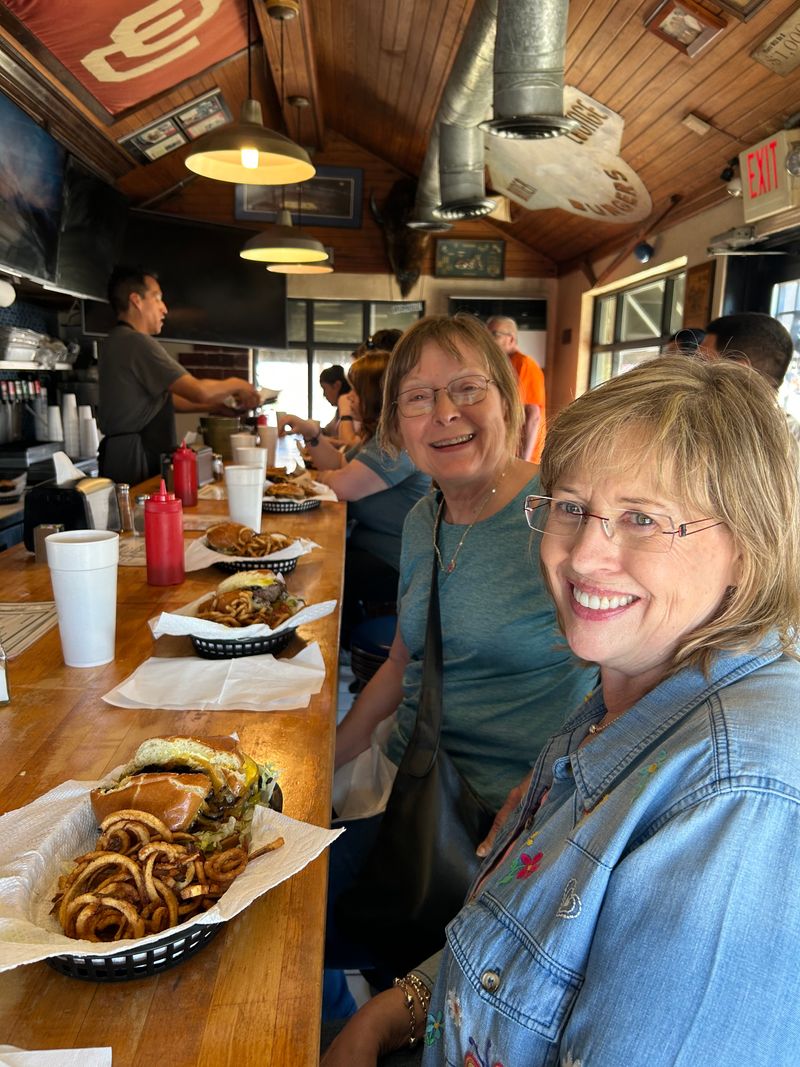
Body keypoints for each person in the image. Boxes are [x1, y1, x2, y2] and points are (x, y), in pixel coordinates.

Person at [321, 354, 800, 1066]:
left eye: (643, 518)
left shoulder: (738, 800)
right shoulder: (627, 695)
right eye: (572, 507)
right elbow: (523, 939)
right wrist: (393, 1014)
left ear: (749, 548)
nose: (582, 556)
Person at [323, 314, 597, 1018]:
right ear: (398, 423)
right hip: (403, 785)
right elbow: (401, 662)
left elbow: (632, 687)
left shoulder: (563, 520)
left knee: (295, 928)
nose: (445, 413)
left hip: (498, 827)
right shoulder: (426, 517)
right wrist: (321, 762)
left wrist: (553, 792)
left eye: (468, 388)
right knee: (271, 909)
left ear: (508, 400)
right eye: (418, 397)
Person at [279, 351, 431, 637]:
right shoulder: (382, 436)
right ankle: (346, 636)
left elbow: (339, 486)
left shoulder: (398, 444)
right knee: (318, 558)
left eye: (355, 390)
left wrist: (321, 478)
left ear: (374, 395)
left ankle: (334, 643)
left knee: (316, 571)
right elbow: (338, 464)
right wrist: (313, 435)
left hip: (398, 563)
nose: (349, 397)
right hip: (373, 549)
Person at [97, 265, 260, 485]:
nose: (164, 309)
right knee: (141, 507)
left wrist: (216, 406)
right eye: (157, 298)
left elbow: (168, 401)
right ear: (136, 300)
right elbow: (198, 391)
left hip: (123, 454)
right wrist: (238, 383)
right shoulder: (136, 342)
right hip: (135, 459)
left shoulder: (116, 340)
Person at [704, 311, 800, 442]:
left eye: (703, 361)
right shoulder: (791, 433)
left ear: (739, 372)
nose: (691, 369)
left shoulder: (715, 437)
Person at [486, 315, 546, 462]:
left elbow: (533, 415)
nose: (487, 340)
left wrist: (524, 461)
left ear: (511, 339)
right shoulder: (503, 365)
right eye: (486, 334)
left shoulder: (524, 364)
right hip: (506, 451)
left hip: (523, 455)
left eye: (494, 334)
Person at [319, 364, 356, 442]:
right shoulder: (340, 410)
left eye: (324, 388)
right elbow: (328, 431)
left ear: (337, 385)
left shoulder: (351, 409)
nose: (324, 395)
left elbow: (348, 444)